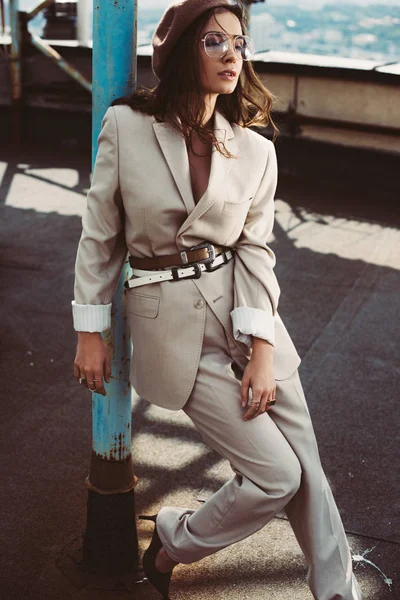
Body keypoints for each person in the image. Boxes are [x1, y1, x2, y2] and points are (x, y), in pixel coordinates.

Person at [71, 1, 363, 599]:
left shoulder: (255, 151)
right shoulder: (126, 127)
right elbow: (100, 236)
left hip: (246, 313)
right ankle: (177, 538)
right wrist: (90, 331)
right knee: (277, 475)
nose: (233, 53)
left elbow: (256, 251)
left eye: (239, 41)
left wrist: (261, 348)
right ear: (182, 54)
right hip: (172, 322)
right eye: (214, 42)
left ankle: (336, 591)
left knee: (307, 462)